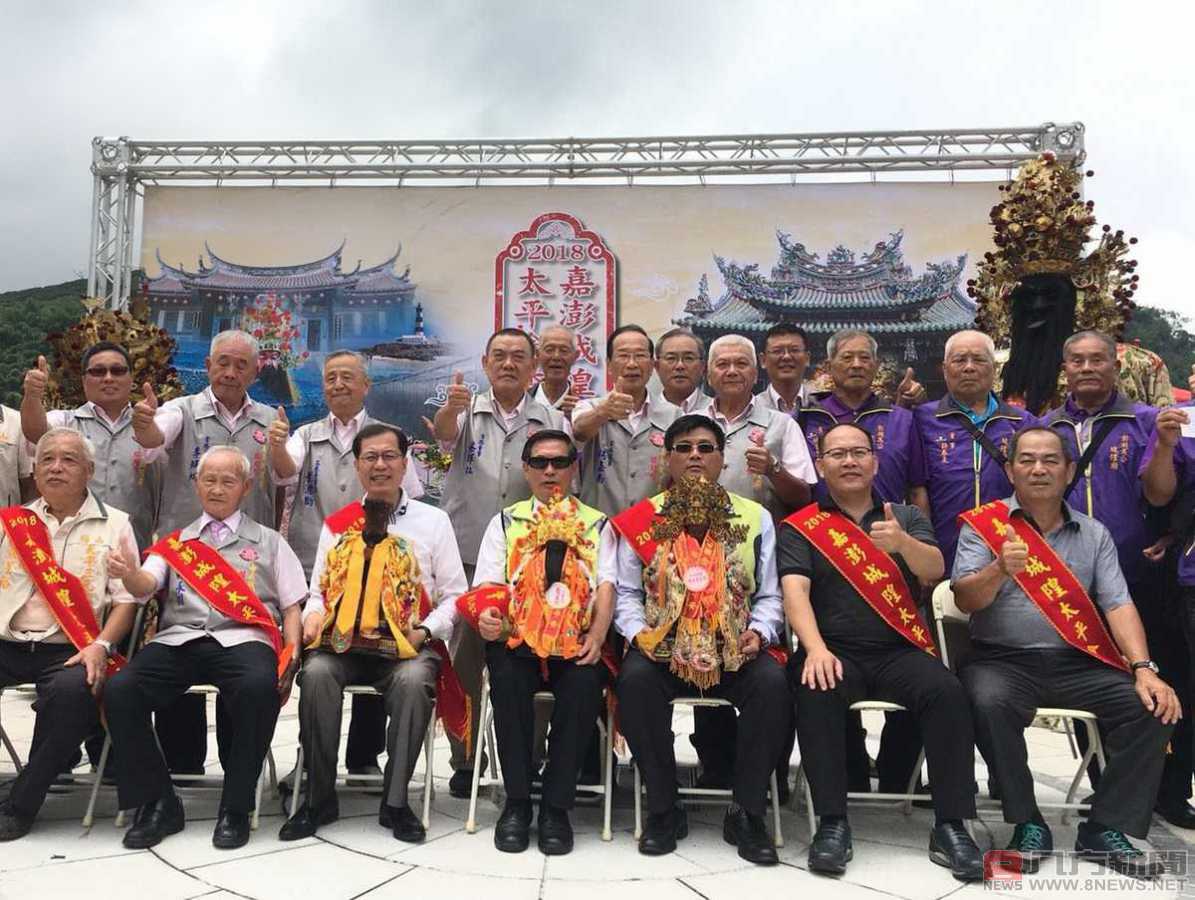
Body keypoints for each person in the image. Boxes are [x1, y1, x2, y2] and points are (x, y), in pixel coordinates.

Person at [953, 427, 1179, 880]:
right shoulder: (983, 525)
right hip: (1001, 660)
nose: (1039, 469)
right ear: (1011, 470)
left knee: (1153, 706)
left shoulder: (1093, 533)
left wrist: (1144, 669)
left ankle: (1106, 826)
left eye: (1051, 460)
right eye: (1028, 460)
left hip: (1077, 661)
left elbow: (1118, 603)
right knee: (986, 701)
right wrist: (999, 569)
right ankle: (1027, 822)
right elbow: (964, 599)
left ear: (1069, 470)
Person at [780, 423, 982, 881]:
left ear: (874, 462)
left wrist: (901, 544)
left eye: (858, 452)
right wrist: (813, 650)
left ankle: (952, 825)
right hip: (833, 649)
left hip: (899, 648)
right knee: (815, 688)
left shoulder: (905, 516)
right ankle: (831, 823)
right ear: (821, 465)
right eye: (837, 454)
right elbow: (795, 593)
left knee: (947, 693)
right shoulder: (802, 526)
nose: (849, 461)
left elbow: (935, 571)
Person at [610, 414, 791, 865]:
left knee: (772, 685)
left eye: (706, 448)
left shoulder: (754, 517)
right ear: (668, 458)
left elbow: (770, 593)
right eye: (685, 447)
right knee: (633, 682)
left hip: (733, 647)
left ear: (721, 458)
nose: (695, 455)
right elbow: (627, 593)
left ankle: (747, 810)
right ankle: (664, 808)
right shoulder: (644, 519)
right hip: (665, 648)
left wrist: (759, 632)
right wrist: (639, 635)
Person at [104, 446, 304, 850]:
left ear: (245, 488)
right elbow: (146, 586)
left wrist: (293, 650)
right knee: (120, 690)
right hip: (180, 639)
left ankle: (235, 807)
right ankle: (159, 801)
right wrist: (129, 575)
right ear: (196, 485)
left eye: (227, 481)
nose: (216, 488)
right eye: (208, 480)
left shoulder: (269, 542)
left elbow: (291, 605)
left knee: (257, 688)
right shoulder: (176, 544)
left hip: (244, 639)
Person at [279, 424, 468, 844]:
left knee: (414, 680)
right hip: (343, 644)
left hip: (407, 646)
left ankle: (397, 803)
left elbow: (455, 597)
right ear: (357, 465)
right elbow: (318, 593)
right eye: (370, 457)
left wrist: (424, 631)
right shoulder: (339, 525)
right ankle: (318, 798)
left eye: (389, 456)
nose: (380, 465)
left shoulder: (433, 521)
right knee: (316, 675)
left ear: (405, 464)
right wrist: (313, 617)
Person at [1039, 331, 1189, 819]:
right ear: (1065, 367)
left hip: (1137, 575)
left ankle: (1169, 791)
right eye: (1077, 359)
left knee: (1161, 677)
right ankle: (1107, 783)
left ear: (1114, 367)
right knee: (1089, 682)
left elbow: (1163, 495)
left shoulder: (1144, 421)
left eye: (1097, 359)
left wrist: (1165, 445)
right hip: (1068, 581)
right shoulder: (1048, 428)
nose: (1087, 368)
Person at [132, 329, 287, 775]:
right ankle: (182, 764)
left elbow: (282, 482)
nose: (231, 372)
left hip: (246, 562)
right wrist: (145, 426)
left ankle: (238, 766)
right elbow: (155, 437)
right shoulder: (182, 410)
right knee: (178, 651)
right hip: (184, 560)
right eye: (223, 362)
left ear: (256, 371)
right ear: (208, 366)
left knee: (242, 655)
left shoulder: (268, 421)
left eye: (241, 364)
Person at [272, 349, 421, 786]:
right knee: (320, 661)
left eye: (347, 377)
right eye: (331, 378)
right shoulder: (305, 435)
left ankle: (363, 754)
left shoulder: (386, 439)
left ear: (365, 385)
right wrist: (277, 445)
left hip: (382, 568)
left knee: (378, 642)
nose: (338, 385)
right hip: (317, 566)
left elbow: (408, 500)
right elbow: (284, 472)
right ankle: (310, 756)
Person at [463, 430, 613, 855]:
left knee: (585, 686)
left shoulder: (596, 524)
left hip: (579, 637)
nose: (551, 471)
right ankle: (516, 802)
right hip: (518, 638)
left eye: (560, 462)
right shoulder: (507, 523)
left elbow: (608, 585)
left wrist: (598, 636)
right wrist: (490, 618)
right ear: (526, 470)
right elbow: (488, 586)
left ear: (574, 469)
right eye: (541, 463)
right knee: (507, 684)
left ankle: (556, 807)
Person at [433, 327, 565, 795]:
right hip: (470, 554)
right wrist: (450, 408)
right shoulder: (466, 410)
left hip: (534, 556)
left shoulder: (551, 418)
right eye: (499, 357)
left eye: (518, 358)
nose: (508, 364)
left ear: (534, 368)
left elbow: (562, 476)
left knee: (538, 654)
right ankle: (466, 757)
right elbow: (444, 436)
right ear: (486, 364)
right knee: (466, 658)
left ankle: (528, 756)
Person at [0, 429, 141, 840]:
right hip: (7, 640)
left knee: (74, 694)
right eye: (47, 460)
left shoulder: (116, 525)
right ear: (35, 469)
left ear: (89, 472)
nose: (56, 468)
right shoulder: (12, 523)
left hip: (72, 649)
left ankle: (20, 803)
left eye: (68, 460)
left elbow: (127, 601)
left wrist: (101, 645)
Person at [21, 342, 163, 550]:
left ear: (131, 379)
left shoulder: (153, 424)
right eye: (97, 371)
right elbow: (36, 433)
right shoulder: (66, 421)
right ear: (84, 380)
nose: (108, 377)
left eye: (117, 370)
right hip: (69, 552)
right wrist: (32, 397)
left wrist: (147, 427)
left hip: (132, 553)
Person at [914, 330, 1036, 571]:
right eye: (960, 360)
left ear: (995, 368)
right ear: (945, 368)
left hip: (1011, 549)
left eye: (979, 360)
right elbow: (917, 491)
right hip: (946, 546)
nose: (969, 367)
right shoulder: (922, 419)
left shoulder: (1022, 422)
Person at [702, 334, 815, 518]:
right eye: (722, 364)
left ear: (755, 375)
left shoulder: (783, 424)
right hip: (699, 541)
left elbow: (803, 498)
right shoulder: (690, 423)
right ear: (708, 376)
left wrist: (773, 469)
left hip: (762, 540)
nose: (732, 371)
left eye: (741, 364)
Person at [573, 325, 680, 517]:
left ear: (651, 365)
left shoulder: (675, 416)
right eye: (623, 356)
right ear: (609, 364)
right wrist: (603, 412)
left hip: (654, 531)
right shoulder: (589, 406)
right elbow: (579, 431)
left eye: (640, 356)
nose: (632, 364)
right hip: (600, 530)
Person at [755, 323, 815, 414]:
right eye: (777, 351)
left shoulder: (822, 406)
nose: (786, 357)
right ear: (763, 360)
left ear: (807, 358)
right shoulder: (753, 409)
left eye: (794, 350)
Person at [653, 328, 710, 413]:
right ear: (657, 367)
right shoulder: (645, 412)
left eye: (688, 358)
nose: (680, 366)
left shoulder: (716, 411)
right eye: (671, 358)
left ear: (702, 367)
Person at [532, 325, 580, 417]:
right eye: (549, 350)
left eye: (564, 350)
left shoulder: (584, 407)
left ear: (575, 356)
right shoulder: (522, 402)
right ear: (538, 354)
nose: (556, 357)